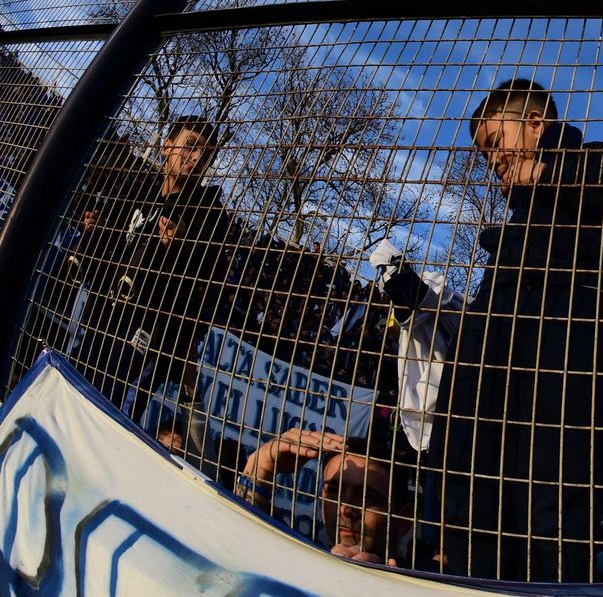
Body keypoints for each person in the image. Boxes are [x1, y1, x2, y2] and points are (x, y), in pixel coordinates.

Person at [377, 78, 603, 582]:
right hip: (494, 335)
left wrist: (547, 171)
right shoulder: (517, 215)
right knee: (465, 485)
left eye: (493, 142)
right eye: (484, 152)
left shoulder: (601, 159)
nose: (491, 160)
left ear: (535, 123)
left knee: (552, 494)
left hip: (569, 330)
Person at [72, 116, 230, 434]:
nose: (197, 158)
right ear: (166, 148)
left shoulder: (211, 214)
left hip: (144, 339)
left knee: (106, 416)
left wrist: (186, 246)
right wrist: (94, 234)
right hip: (98, 319)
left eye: (206, 155)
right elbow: (106, 253)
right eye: (190, 146)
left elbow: (211, 287)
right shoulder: (137, 192)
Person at [235, 428, 410, 566]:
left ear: (403, 521)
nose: (345, 509)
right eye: (334, 491)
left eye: (367, 497)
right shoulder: (296, 563)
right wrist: (261, 465)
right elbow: (238, 542)